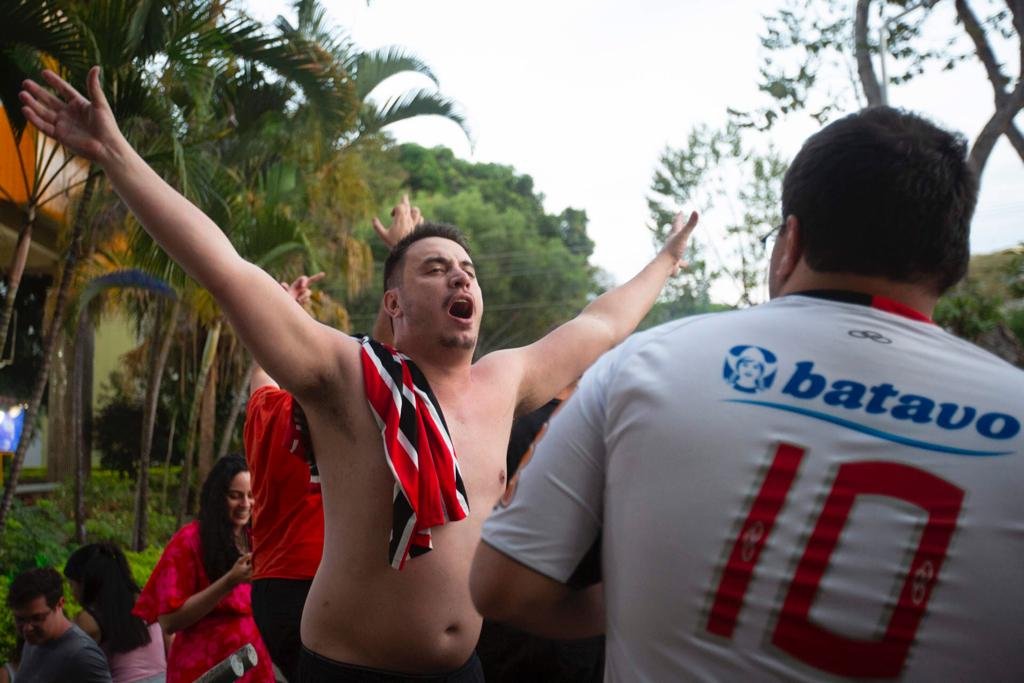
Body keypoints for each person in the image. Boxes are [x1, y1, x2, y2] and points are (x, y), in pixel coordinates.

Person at [20, 67, 697, 681]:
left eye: (467, 269)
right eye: (435, 267)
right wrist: (115, 154)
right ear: (394, 307)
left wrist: (667, 258)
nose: (459, 274)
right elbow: (223, 267)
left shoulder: (505, 379)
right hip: (349, 671)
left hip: (463, 669)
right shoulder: (346, 374)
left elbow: (602, 325)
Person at [470, 106, 1024, 681]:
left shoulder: (646, 364)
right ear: (951, 262)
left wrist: (630, 602)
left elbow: (500, 587)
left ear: (790, 242)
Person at [245, 274, 325, 683]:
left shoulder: (266, 410)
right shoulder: (338, 416)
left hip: (271, 589)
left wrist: (284, 308)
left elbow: (262, 365)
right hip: (323, 581)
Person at [133, 455, 273, 683]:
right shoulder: (189, 541)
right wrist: (229, 582)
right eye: (235, 496)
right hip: (204, 668)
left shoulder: (256, 538)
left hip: (253, 665)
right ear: (218, 498)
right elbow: (169, 621)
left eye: (250, 495)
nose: (245, 504)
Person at [64, 542, 167, 683]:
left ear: (85, 582)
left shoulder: (88, 619)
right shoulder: (147, 599)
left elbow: (71, 665)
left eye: (72, 584)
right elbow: (171, 645)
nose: (72, 591)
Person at [6, 567, 111, 682]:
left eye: (37, 618)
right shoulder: (33, 640)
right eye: (20, 619)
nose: (27, 628)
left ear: (60, 604)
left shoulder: (83, 655)